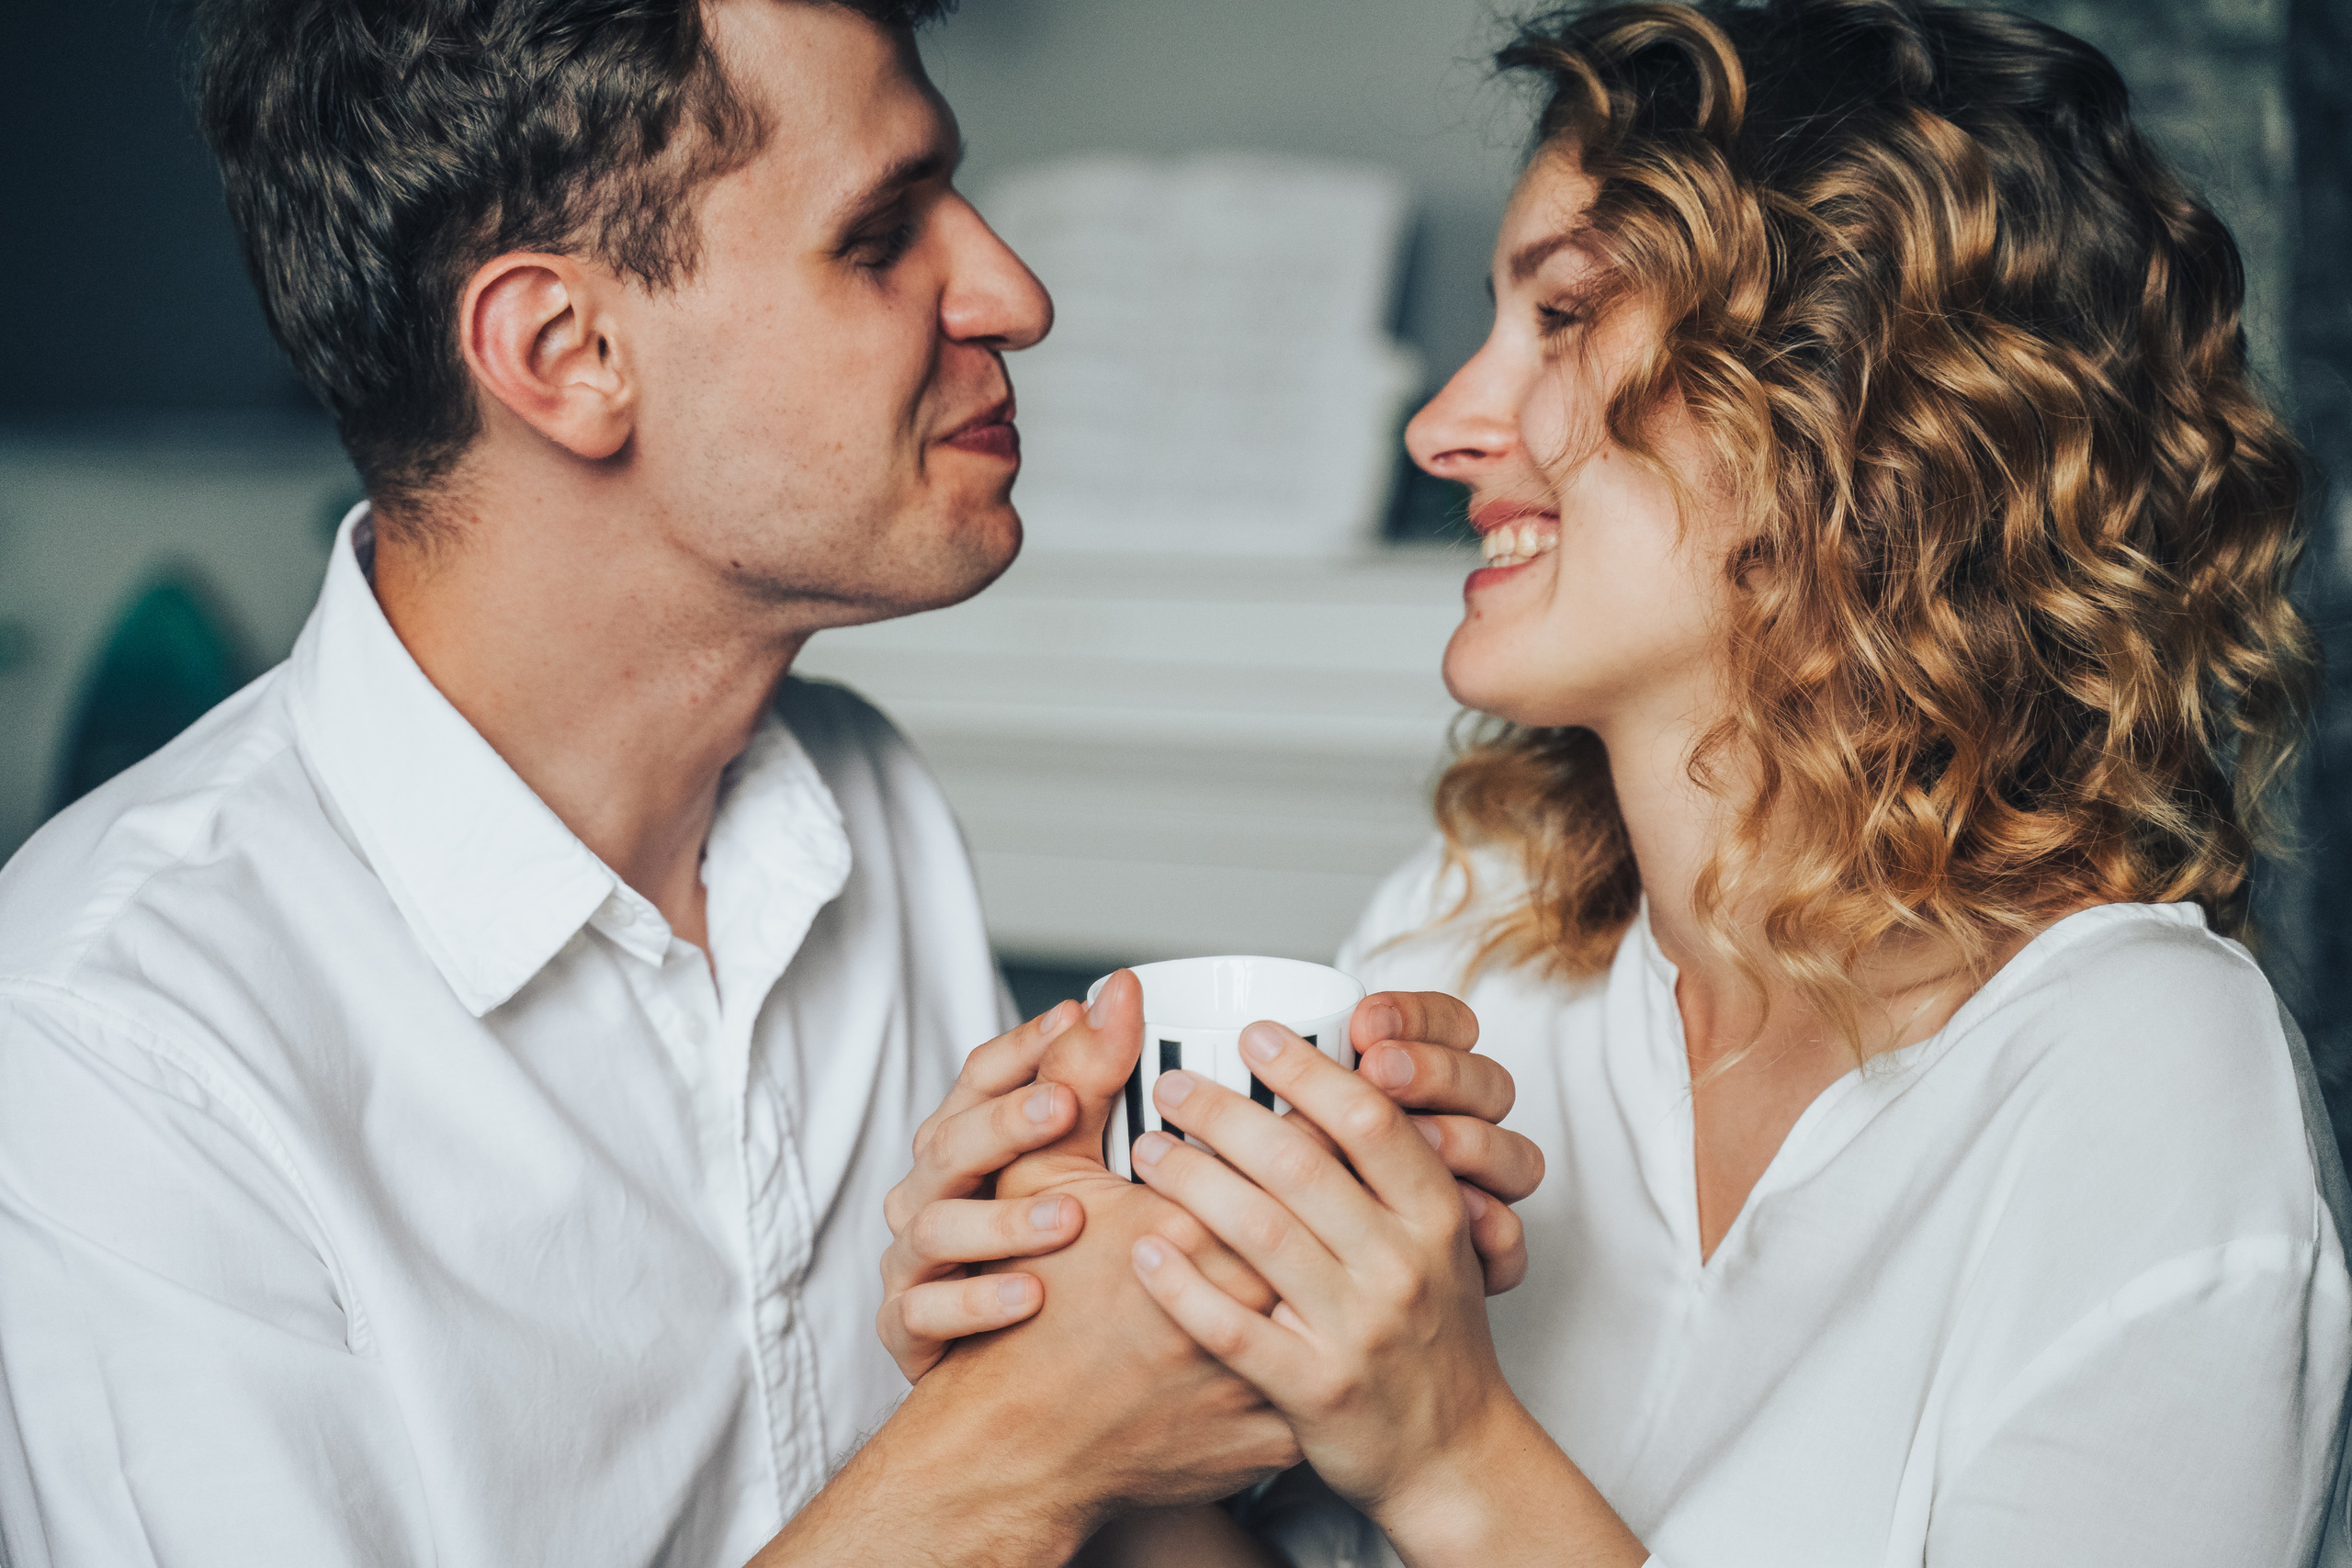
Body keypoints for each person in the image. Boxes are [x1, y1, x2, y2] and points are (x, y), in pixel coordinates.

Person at [0, 3, 1544, 1565]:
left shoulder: (864, 809)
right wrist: (1020, 1441)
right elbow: (1016, 1456)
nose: (1014, 293)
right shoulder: (117, 1048)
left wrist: (1246, 1321)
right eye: (880, 235)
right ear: (564, 352)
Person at [906, 1, 2351, 1562]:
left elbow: (1439, 1460)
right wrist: (1074, 1410)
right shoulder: (1463, 946)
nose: (1443, 423)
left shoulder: (2145, 1083)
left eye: (1565, 316)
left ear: (1853, 406)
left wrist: (1451, 1449)